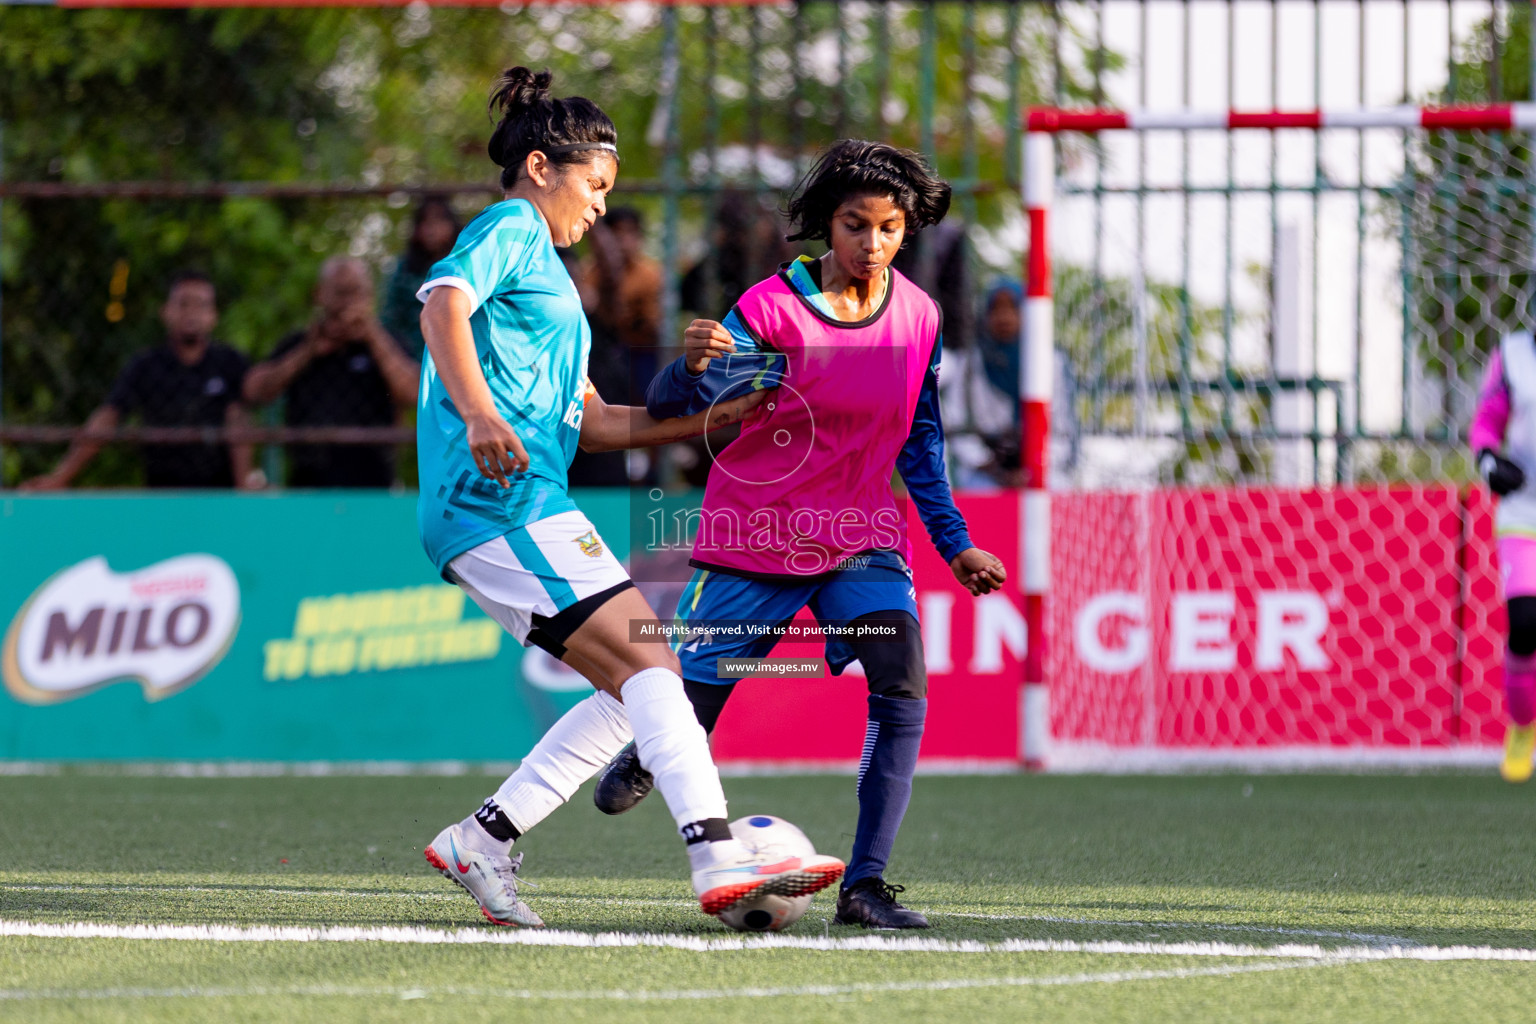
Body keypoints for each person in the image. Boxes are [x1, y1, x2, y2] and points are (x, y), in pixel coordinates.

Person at [413, 66, 843, 928]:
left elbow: (598, 423)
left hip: (527, 501)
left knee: (632, 691)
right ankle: (715, 851)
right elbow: (440, 305)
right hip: (498, 502)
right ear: (542, 168)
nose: (603, 206)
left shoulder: (557, 291)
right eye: (595, 185)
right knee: (655, 670)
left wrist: (718, 419)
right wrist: (479, 413)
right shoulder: (510, 228)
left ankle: (484, 840)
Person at [593, 140, 1008, 929]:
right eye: (856, 226)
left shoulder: (919, 318)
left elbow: (922, 441)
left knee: (901, 683)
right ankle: (652, 746)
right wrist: (687, 368)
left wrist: (955, 545)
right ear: (828, 223)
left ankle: (867, 886)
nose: (872, 245)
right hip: (756, 536)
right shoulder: (769, 310)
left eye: (890, 229)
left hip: (862, 536)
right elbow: (674, 401)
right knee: (700, 703)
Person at [20, 270, 254, 491]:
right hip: (160, 493)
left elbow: (244, 415)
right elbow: (109, 416)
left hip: (221, 496)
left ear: (213, 315)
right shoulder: (146, 365)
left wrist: (245, 486)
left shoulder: (230, 363)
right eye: (183, 303)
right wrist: (61, 477)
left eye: (201, 305)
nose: (191, 312)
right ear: (165, 312)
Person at [243, 257, 420, 488]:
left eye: (355, 292)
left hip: (375, 483)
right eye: (339, 292)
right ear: (319, 294)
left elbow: (414, 393)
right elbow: (254, 392)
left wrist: (373, 337)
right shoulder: (300, 343)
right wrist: (307, 352)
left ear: (369, 296)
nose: (347, 302)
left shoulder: (390, 342)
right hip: (307, 483)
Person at [1471, 336, 1536, 782]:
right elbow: (1487, 422)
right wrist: (1489, 461)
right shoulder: (1514, 354)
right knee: (1527, 622)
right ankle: (1522, 727)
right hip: (1524, 513)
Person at [381, 196, 462, 360]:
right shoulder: (405, 270)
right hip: (411, 355)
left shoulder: (463, 264)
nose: (431, 229)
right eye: (426, 222)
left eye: (439, 220)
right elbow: (390, 320)